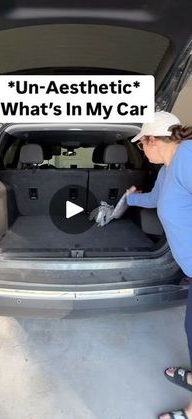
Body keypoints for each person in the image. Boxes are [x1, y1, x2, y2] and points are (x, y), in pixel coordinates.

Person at [126, 111, 192, 419]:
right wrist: (130, 200)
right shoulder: (169, 165)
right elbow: (156, 199)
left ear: (153, 140)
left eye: (142, 145)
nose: (143, 151)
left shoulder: (189, 158)